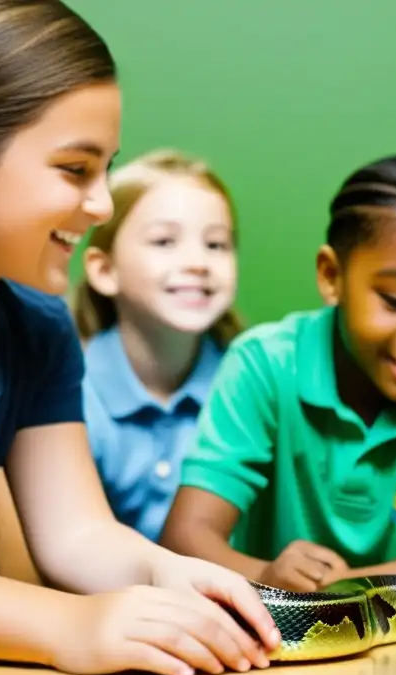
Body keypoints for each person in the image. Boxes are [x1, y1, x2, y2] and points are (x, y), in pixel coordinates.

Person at [0, 0, 278, 675]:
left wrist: (174, 576)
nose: (103, 205)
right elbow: (66, 612)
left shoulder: (36, 327)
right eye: (75, 169)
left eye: (107, 168)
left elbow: (76, 534)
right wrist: (67, 624)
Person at [159, 153, 396, 592]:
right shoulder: (264, 364)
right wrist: (265, 576)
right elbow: (184, 538)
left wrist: (334, 590)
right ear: (331, 276)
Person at [74, 148, 243, 543]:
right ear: (104, 270)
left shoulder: (247, 386)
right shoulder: (70, 393)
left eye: (216, 245)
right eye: (165, 241)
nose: (198, 262)